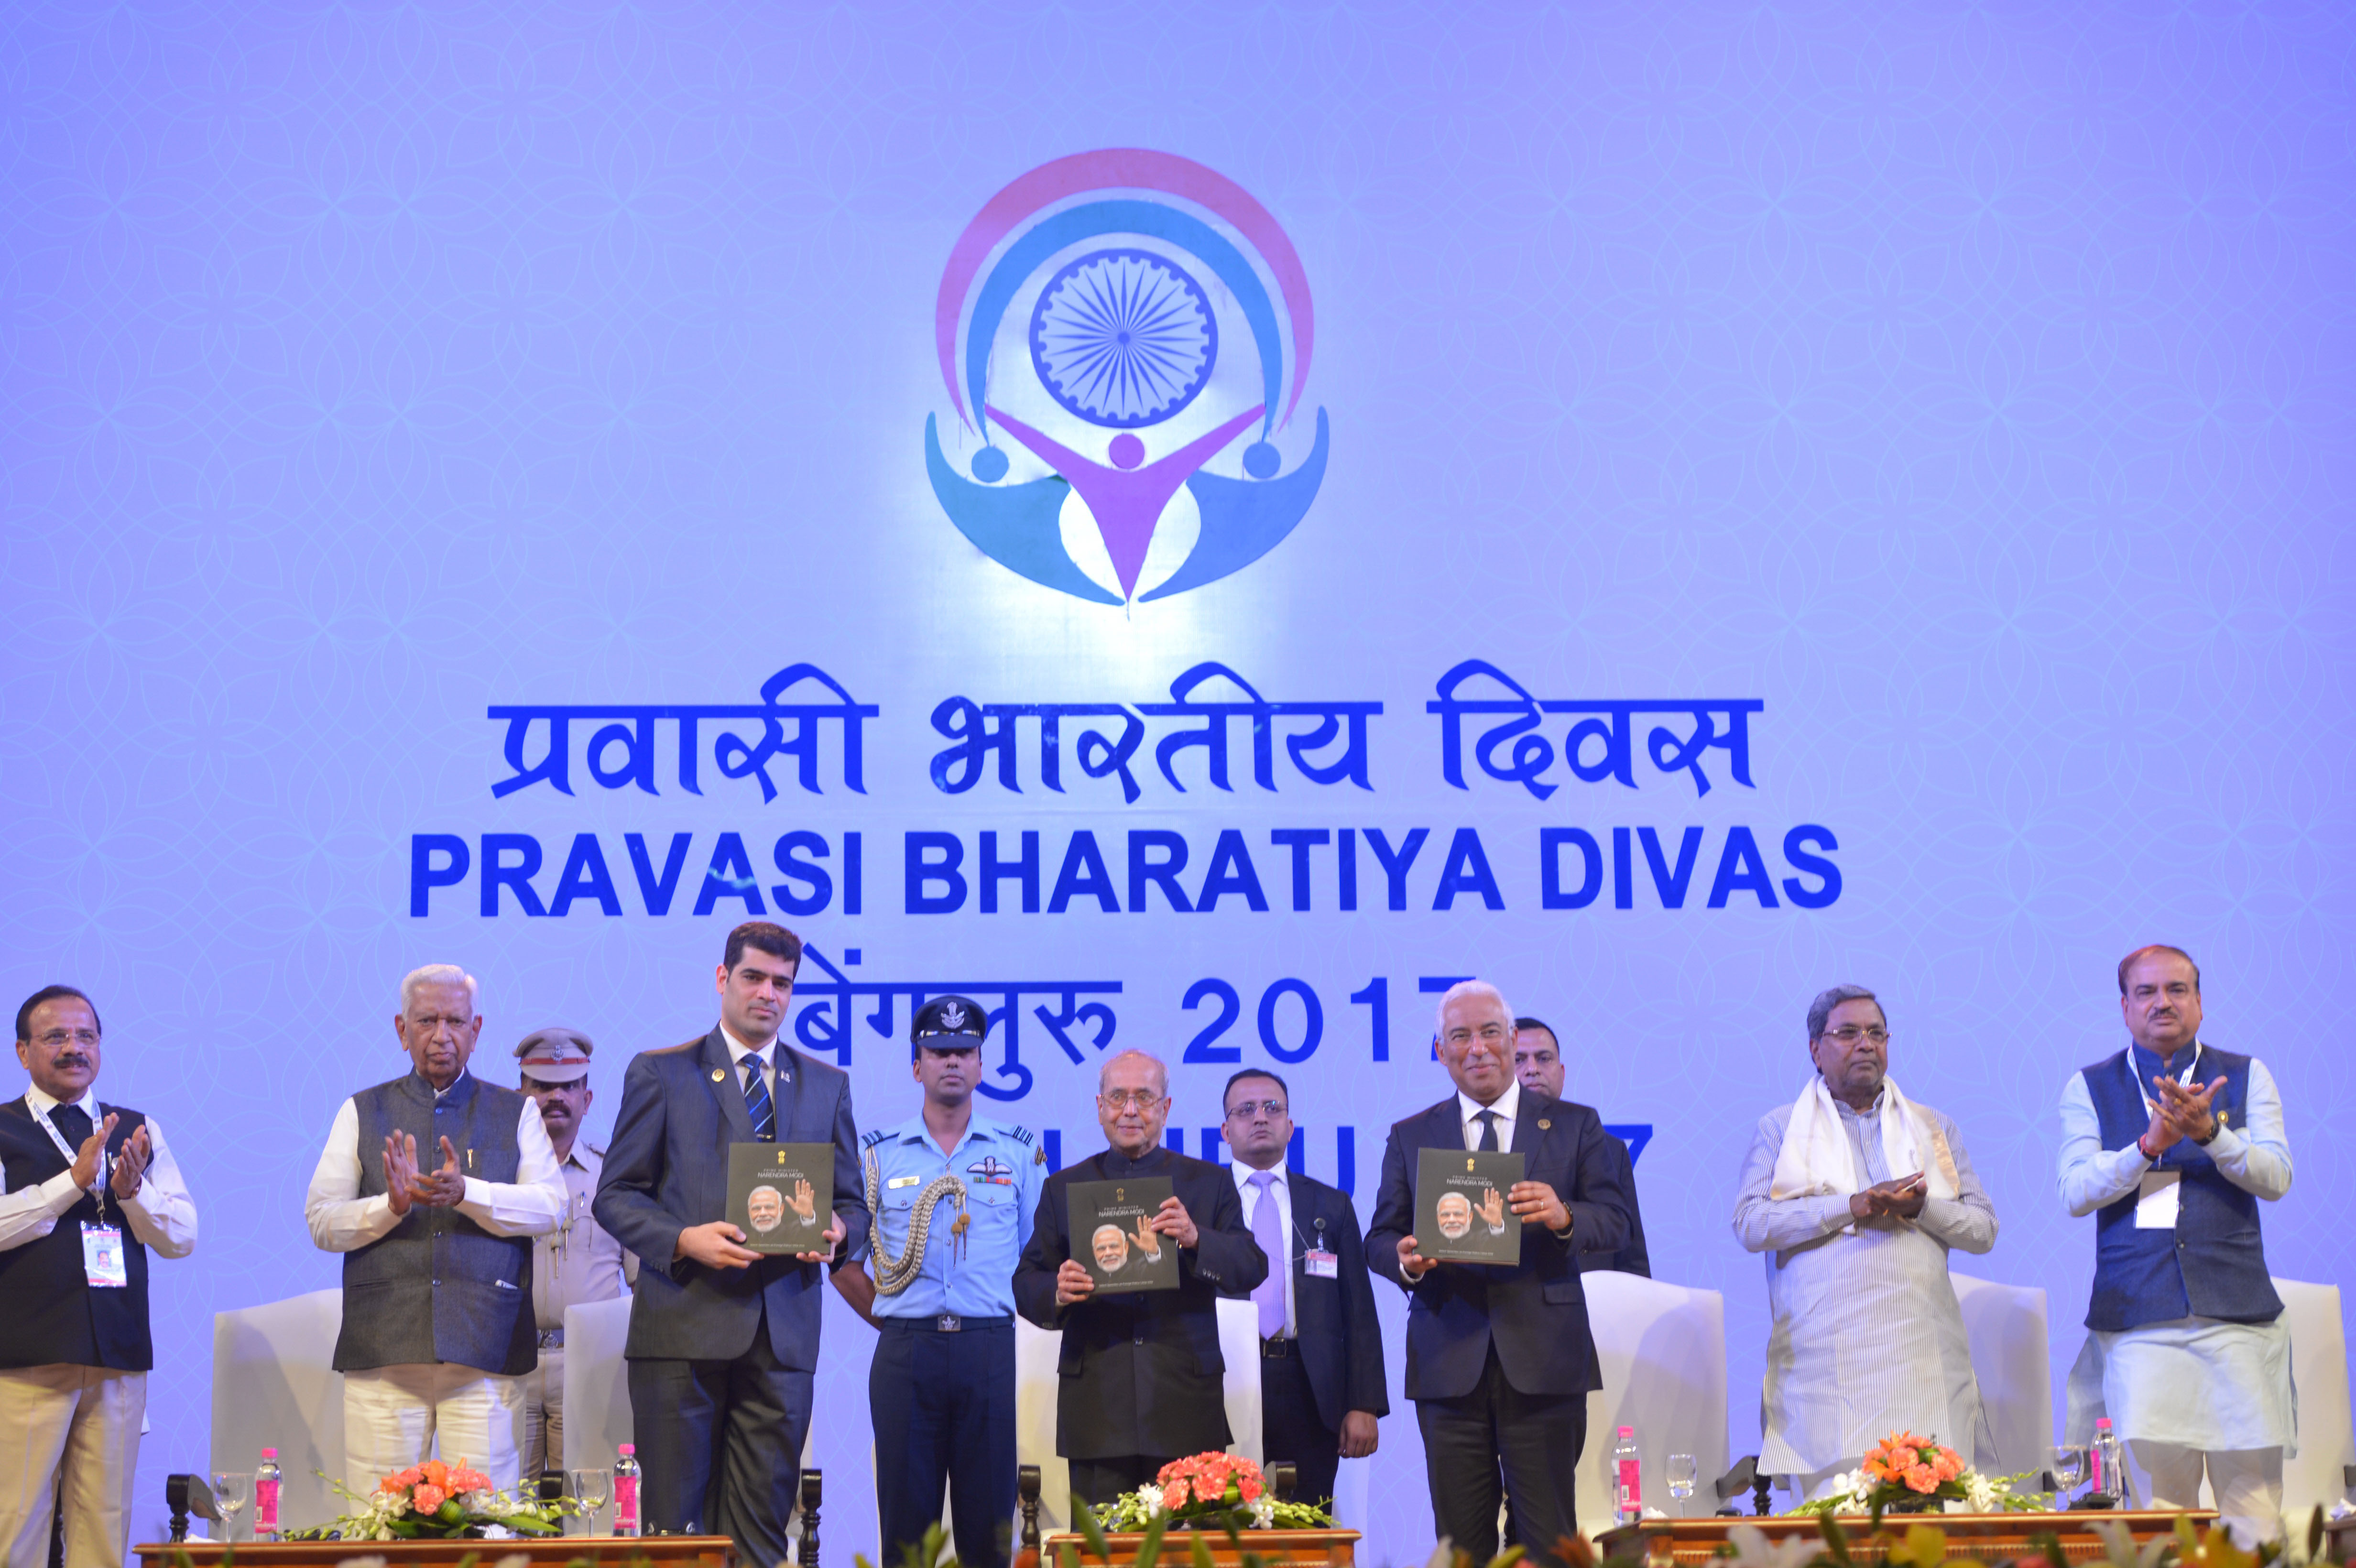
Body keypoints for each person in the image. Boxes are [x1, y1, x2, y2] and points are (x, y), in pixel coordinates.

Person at [592, 922, 867, 1567]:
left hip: (783, 1340)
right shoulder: (661, 1073)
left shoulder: (827, 1085)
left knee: (763, 1537)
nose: (768, 994)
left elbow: (852, 1202)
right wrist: (684, 1238)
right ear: (723, 979)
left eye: (783, 983)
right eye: (754, 977)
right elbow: (616, 1196)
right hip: (681, 1332)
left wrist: (838, 1231)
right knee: (676, 1538)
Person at [1368, 980, 1635, 1565]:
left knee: (1548, 1543)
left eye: (1490, 1032)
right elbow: (1378, 1237)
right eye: (1459, 1036)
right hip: (1448, 1362)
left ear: (1514, 1041)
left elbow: (1615, 1222)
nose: (1477, 1048)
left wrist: (1565, 1215)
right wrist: (1404, 1261)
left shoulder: (1573, 1125)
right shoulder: (1411, 1134)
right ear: (1440, 1051)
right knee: (1460, 1546)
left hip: (1544, 1363)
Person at [2059, 946, 2293, 1539]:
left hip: (2234, 1320)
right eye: (2145, 992)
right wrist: (2145, 1147)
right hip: (2142, 1326)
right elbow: (2074, 1191)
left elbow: (2276, 1177)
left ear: (2198, 1002)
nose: (2161, 1002)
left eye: (2176, 989)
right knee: (2161, 1523)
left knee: (2254, 1520)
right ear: (2123, 1006)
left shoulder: (2244, 1074)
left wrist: (2210, 1134)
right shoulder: (2089, 1086)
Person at [1732, 984, 1999, 1499]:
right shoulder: (1780, 1128)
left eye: (1876, 1033)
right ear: (1815, 1048)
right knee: (1834, 1538)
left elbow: (1982, 1228)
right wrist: (1847, 1205)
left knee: (1927, 1542)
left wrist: (1921, 1207)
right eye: (1848, 1033)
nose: (1865, 1044)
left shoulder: (1931, 1127)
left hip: (1920, 1365)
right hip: (1824, 1374)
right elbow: (1749, 1223)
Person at [306, 965, 565, 1492]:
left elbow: (550, 1208)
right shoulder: (361, 1110)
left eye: (455, 1021)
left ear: (477, 1029)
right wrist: (389, 1206)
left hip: (484, 1348)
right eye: (427, 1020)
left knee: (486, 1523)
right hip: (385, 1347)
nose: (441, 1035)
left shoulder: (515, 1112)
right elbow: (322, 1220)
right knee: (380, 1523)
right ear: (402, 1030)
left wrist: (469, 1193)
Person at [833, 994, 1043, 1568]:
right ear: (915, 1065)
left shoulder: (1020, 1152)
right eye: (938, 1051)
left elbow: (1037, 1256)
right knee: (906, 1534)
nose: (951, 1060)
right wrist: (894, 1317)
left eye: (964, 1051)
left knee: (988, 1533)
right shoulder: (876, 1155)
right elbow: (841, 1260)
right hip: (906, 1353)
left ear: (980, 1064)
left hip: (988, 1348)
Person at [1013, 1049, 1266, 1508]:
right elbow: (1025, 1281)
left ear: (1165, 1108)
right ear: (1100, 1106)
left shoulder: (1208, 1183)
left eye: (1144, 1098)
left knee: (1189, 1554)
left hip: (1184, 1407)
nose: (1130, 1110)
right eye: (1118, 1097)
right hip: (1096, 1412)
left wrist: (1195, 1239)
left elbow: (1251, 1266)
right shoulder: (1063, 1188)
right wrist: (1057, 1289)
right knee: (1098, 1556)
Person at [0, 986, 198, 1568]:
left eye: (86, 1036)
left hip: (116, 1355)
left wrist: (132, 1193)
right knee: (18, 1525)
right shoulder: (5, 1128)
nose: (73, 1048)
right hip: (27, 1357)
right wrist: (70, 1183)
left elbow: (182, 1236)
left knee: (104, 1530)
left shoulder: (137, 1128)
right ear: (23, 1051)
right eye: (56, 1037)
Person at [1220, 1068, 1385, 1510]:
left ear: (1290, 1127)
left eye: (1273, 1108)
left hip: (1307, 1385)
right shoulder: (1202, 1202)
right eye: (1246, 1110)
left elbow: (1359, 1313)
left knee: (1307, 1523)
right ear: (1225, 1130)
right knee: (1222, 1525)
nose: (1260, 1118)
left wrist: (1363, 1403)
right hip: (1224, 1380)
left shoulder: (1329, 1205)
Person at [513, 1026, 637, 1483]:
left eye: (568, 1087)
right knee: (507, 1510)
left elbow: (641, 1285)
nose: (556, 1097)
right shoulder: (497, 1176)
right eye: (542, 1087)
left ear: (587, 1098)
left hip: (590, 1367)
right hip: (511, 1363)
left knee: (586, 1506)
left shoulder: (616, 1176)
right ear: (520, 1095)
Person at [1514, 1017, 1650, 1277]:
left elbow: (1631, 1255)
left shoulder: (1611, 1150)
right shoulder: (1486, 1143)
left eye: (1544, 1058)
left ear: (1562, 1073)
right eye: (1519, 1060)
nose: (1532, 1069)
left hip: (1596, 1306)